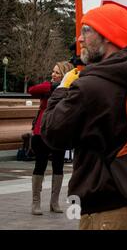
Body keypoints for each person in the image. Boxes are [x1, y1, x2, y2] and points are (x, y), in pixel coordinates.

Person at [41, 4, 127, 230]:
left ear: (108, 36)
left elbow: (52, 132)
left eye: (86, 30)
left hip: (108, 205)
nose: (79, 38)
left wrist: (61, 88)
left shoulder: (90, 86)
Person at [28, 61, 74, 215]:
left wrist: (64, 87)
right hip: (41, 132)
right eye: (53, 71)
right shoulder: (48, 86)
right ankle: (36, 203)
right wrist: (53, 86)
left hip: (59, 132)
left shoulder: (70, 90)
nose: (53, 74)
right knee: (39, 165)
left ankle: (54, 202)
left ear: (64, 75)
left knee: (58, 167)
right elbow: (32, 90)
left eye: (57, 72)